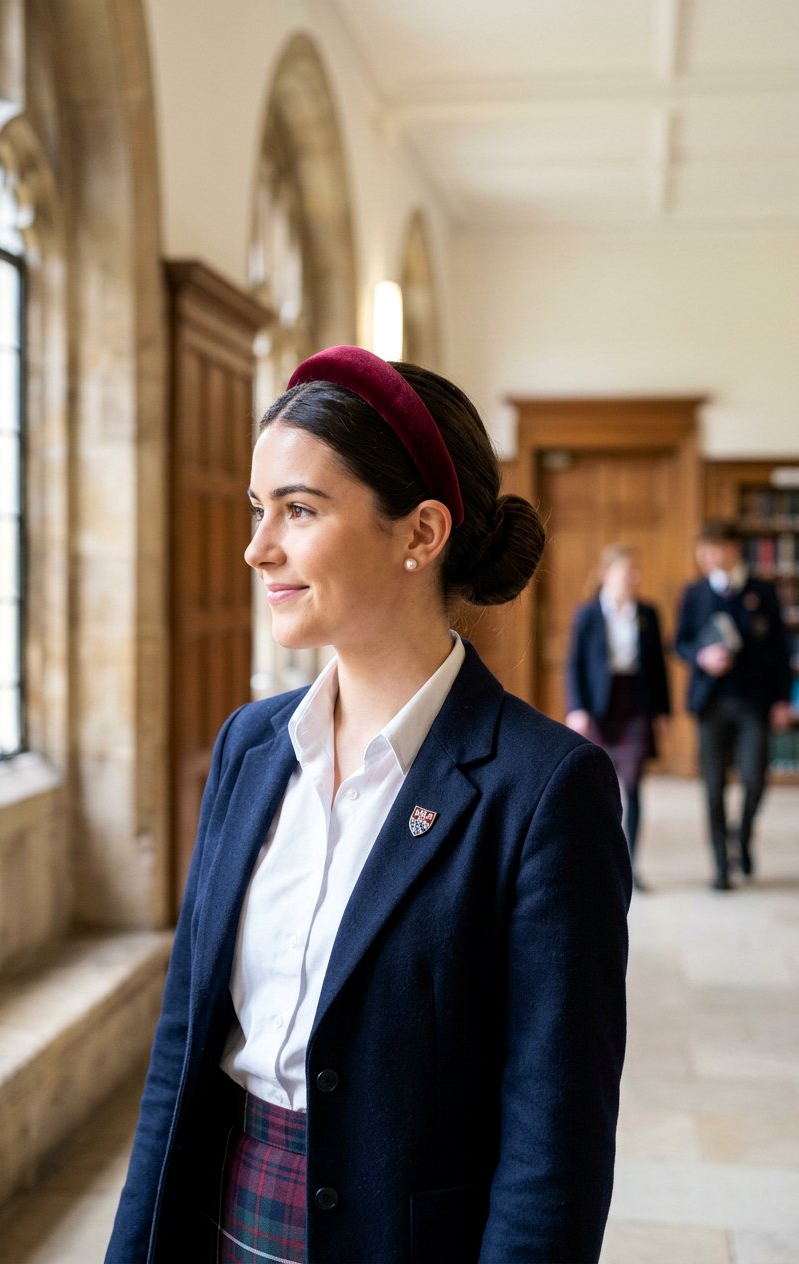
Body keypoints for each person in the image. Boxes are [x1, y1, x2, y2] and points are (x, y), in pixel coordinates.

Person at [106, 346, 631, 1264]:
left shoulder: (546, 793)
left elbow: (555, 1148)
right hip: (222, 1213)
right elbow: (183, 1049)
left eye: (298, 510)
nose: (257, 548)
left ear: (420, 535)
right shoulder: (251, 746)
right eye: (257, 510)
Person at [675, 518, 792, 890]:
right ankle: (721, 866)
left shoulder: (763, 591)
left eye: (713, 549)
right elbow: (679, 642)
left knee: (756, 779)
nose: (706, 557)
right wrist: (702, 656)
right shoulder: (694, 593)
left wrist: (781, 699)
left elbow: (780, 650)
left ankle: (741, 837)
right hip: (710, 704)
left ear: (733, 549)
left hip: (753, 702)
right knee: (713, 787)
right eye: (702, 550)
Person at [565, 543, 671, 891]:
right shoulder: (587, 614)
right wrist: (576, 708)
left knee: (634, 783)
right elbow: (574, 664)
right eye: (627, 571)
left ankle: (630, 865)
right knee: (595, 785)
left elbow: (658, 668)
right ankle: (594, 863)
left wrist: (662, 713)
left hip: (636, 704)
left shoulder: (647, 613)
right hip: (599, 706)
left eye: (635, 572)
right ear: (608, 574)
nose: (634, 578)